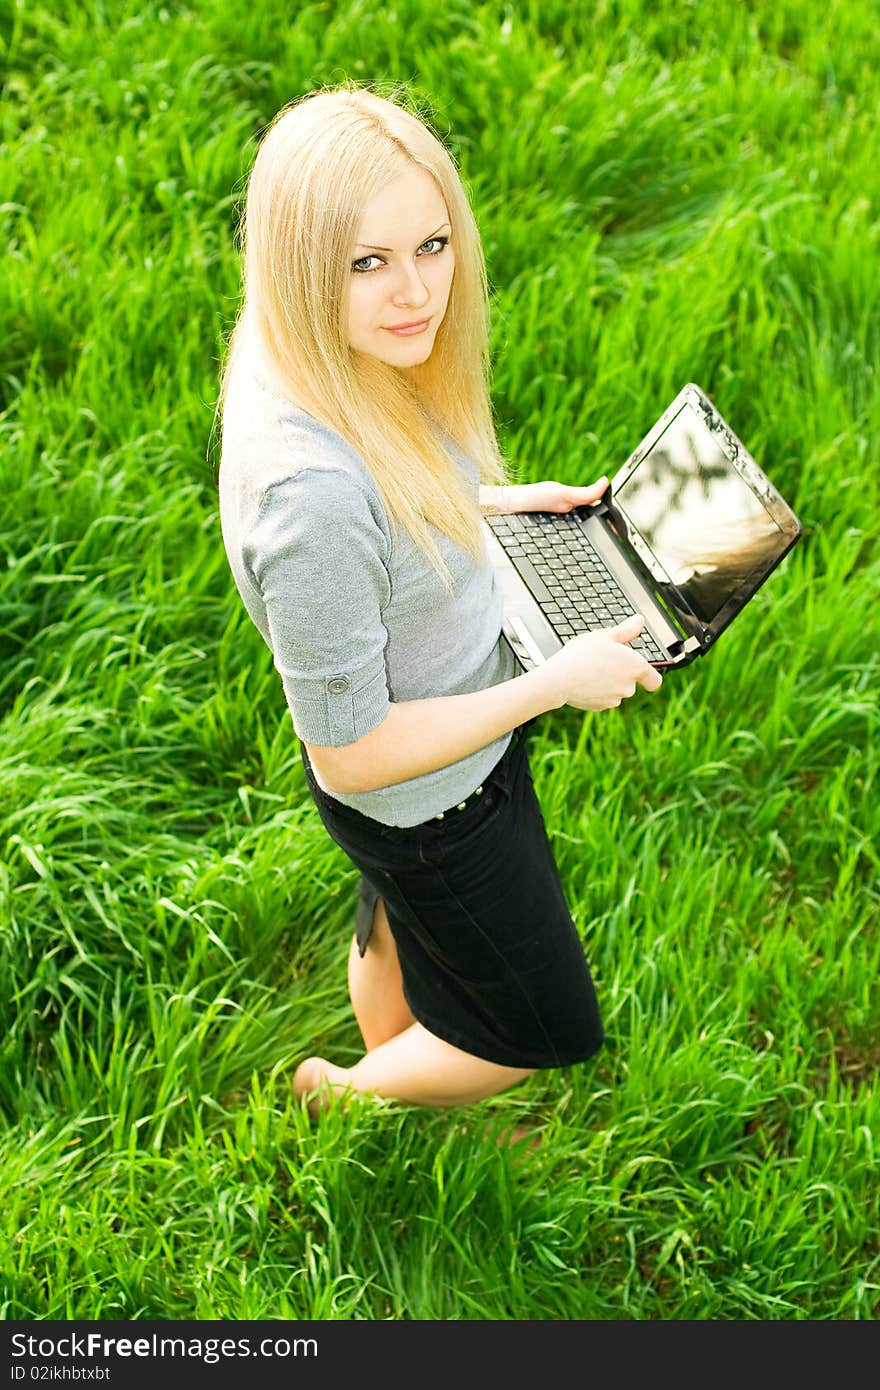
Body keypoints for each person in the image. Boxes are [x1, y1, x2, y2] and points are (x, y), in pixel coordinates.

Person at [214, 81, 663, 1116]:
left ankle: (403, 1044)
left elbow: (384, 489)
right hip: (432, 802)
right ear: (296, 266)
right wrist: (548, 685)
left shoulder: (308, 348)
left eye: (431, 245)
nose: (416, 292)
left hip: (414, 800)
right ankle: (354, 1093)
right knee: (535, 1027)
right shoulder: (307, 500)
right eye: (365, 263)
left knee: (408, 916)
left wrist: (491, 505)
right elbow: (352, 750)